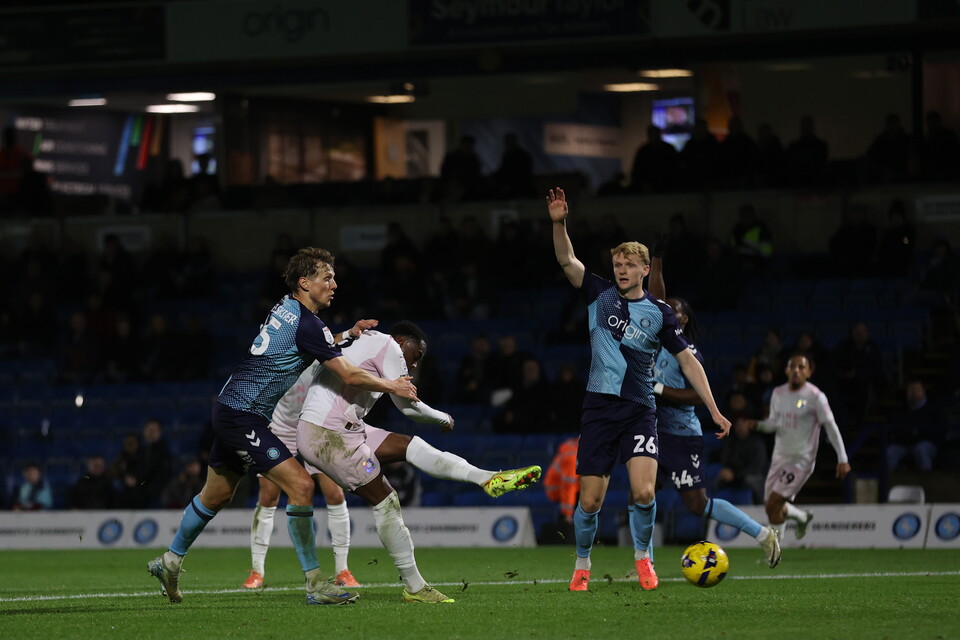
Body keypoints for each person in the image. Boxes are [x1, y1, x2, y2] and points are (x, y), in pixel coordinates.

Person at [148, 247, 419, 607]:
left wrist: (347, 335)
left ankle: (170, 560)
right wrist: (392, 385)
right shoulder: (308, 324)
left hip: (233, 409)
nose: (334, 285)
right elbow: (349, 373)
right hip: (242, 415)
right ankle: (315, 583)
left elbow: (314, 343)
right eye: (327, 278)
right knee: (302, 485)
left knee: (216, 496)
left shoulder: (288, 309)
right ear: (305, 283)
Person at [546, 187, 730, 592]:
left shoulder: (661, 314)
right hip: (598, 410)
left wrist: (714, 410)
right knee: (590, 501)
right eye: (617, 263)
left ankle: (644, 559)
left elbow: (688, 362)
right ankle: (581, 564)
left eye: (629, 264)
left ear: (645, 269)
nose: (621, 270)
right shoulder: (598, 294)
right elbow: (566, 259)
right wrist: (559, 222)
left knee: (645, 492)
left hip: (639, 409)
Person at [296, 320, 542, 604]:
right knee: (385, 500)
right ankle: (415, 587)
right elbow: (407, 407)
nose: (413, 365)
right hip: (327, 434)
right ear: (402, 342)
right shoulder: (389, 346)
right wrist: (443, 417)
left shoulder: (367, 340)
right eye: (416, 355)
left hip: (339, 427)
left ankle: (485, 478)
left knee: (411, 445)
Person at [647, 250, 781, 567]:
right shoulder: (652, 341)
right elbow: (654, 299)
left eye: (675, 310)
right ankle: (644, 564)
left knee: (697, 503)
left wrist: (658, 388)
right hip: (654, 431)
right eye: (666, 308)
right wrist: (657, 263)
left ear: (684, 319)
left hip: (681, 435)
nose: (668, 311)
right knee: (642, 493)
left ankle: (763, 534)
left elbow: (697, 396)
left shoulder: (688, 351)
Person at [241, 360, 367, 591]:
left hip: (315, 427)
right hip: (279, 430)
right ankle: (256, 571)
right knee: (268, 497)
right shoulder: (281, 356)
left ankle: (343, 570)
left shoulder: (325, 359)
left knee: (335, 494)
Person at [750, 354, 851, 542]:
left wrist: (842, 459)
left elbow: (831, 426)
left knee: (774, 502)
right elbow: (774, 423)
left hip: (801, 460)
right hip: (780, 457)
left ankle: (774, 552)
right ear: (786, 370)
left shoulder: (816, 397)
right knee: (770, 506)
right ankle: (801, 517)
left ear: (809, 372)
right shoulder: (778, 393)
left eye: (801, 367)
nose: (796, 370)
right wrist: (757, 425)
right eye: (793, 366)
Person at [885, 379, 943, 473]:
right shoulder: (902, 409)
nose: (913, 393)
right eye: (910, 390)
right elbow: (896, 430)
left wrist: (918, 433)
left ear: (923, 391)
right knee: (890, 452)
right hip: (905, 444)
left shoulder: (933, 408)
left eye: (917, 389)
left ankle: (926, 482)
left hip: (927, 444)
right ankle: (886, 483)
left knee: (921, 449)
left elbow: (938, 431)